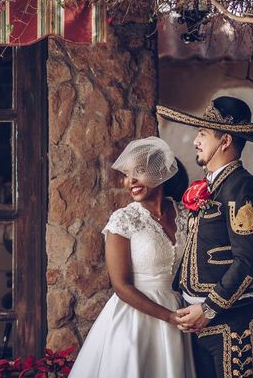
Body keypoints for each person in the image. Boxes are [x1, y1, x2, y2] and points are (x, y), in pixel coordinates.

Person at [157, 96, 253, 378]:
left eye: (203, 134)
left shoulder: (243, 189)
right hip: (201, 322)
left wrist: (208, 308)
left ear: (225, 141)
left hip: (234, 324)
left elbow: (248, 261)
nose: (196, 141)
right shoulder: (214, 185)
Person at [69, 136, 196, 378]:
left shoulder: (186, 214)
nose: (130, 181)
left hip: (179, 312)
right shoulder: (123, 219)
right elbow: (121, 285)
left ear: (161, 172)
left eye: (139, 171)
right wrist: (168, 317)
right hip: (135, 318)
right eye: (127, 175)